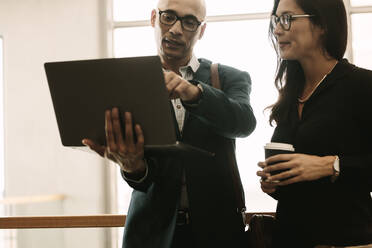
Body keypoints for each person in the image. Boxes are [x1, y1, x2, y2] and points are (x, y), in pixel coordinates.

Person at [83, 0, 256, 247]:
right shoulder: (127, 82)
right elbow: (143, 175)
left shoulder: (229, 77)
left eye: (188, 22)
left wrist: (193, 93)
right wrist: (132, 166)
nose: (175, 29)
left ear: (201, 30)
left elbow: (244, 122)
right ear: (154, 18)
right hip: (150, 234)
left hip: (217, 233)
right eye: (168, 17)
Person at [256, 0, 372, 247]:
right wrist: (273, 181)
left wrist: (332, 165)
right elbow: (297, 188)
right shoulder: (292, 94)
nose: (277, 29)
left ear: (322, 24)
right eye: (276, 20)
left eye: (287, 18)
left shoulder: (362, 85)